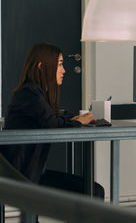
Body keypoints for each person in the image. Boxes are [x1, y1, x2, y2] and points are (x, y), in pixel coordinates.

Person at [0, 43, 104, 198]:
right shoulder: (30, 92)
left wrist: (73, 119)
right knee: (94, 192)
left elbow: (49, 119)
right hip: (23, 175)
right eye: (60, 64)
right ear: (42, 66)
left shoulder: (34, 92)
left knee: (92, 190)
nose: (64, 70)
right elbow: (52, 124)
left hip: (27, 172)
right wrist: (78, 122)